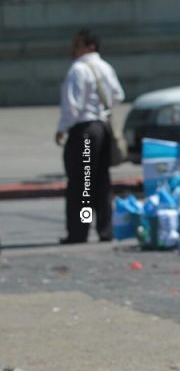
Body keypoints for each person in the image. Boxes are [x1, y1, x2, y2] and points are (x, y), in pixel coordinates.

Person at [55, 28, 124, 244]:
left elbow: (72, 107)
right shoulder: (105, 67)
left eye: (77, 45)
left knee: (82, 183)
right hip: (102, 128)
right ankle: (105, 230)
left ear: (89, 46)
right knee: (101, 181)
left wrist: (62, 128)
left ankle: (79, 231)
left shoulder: (78, 70)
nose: (72, 49)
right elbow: (118, 95)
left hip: (84, 131)